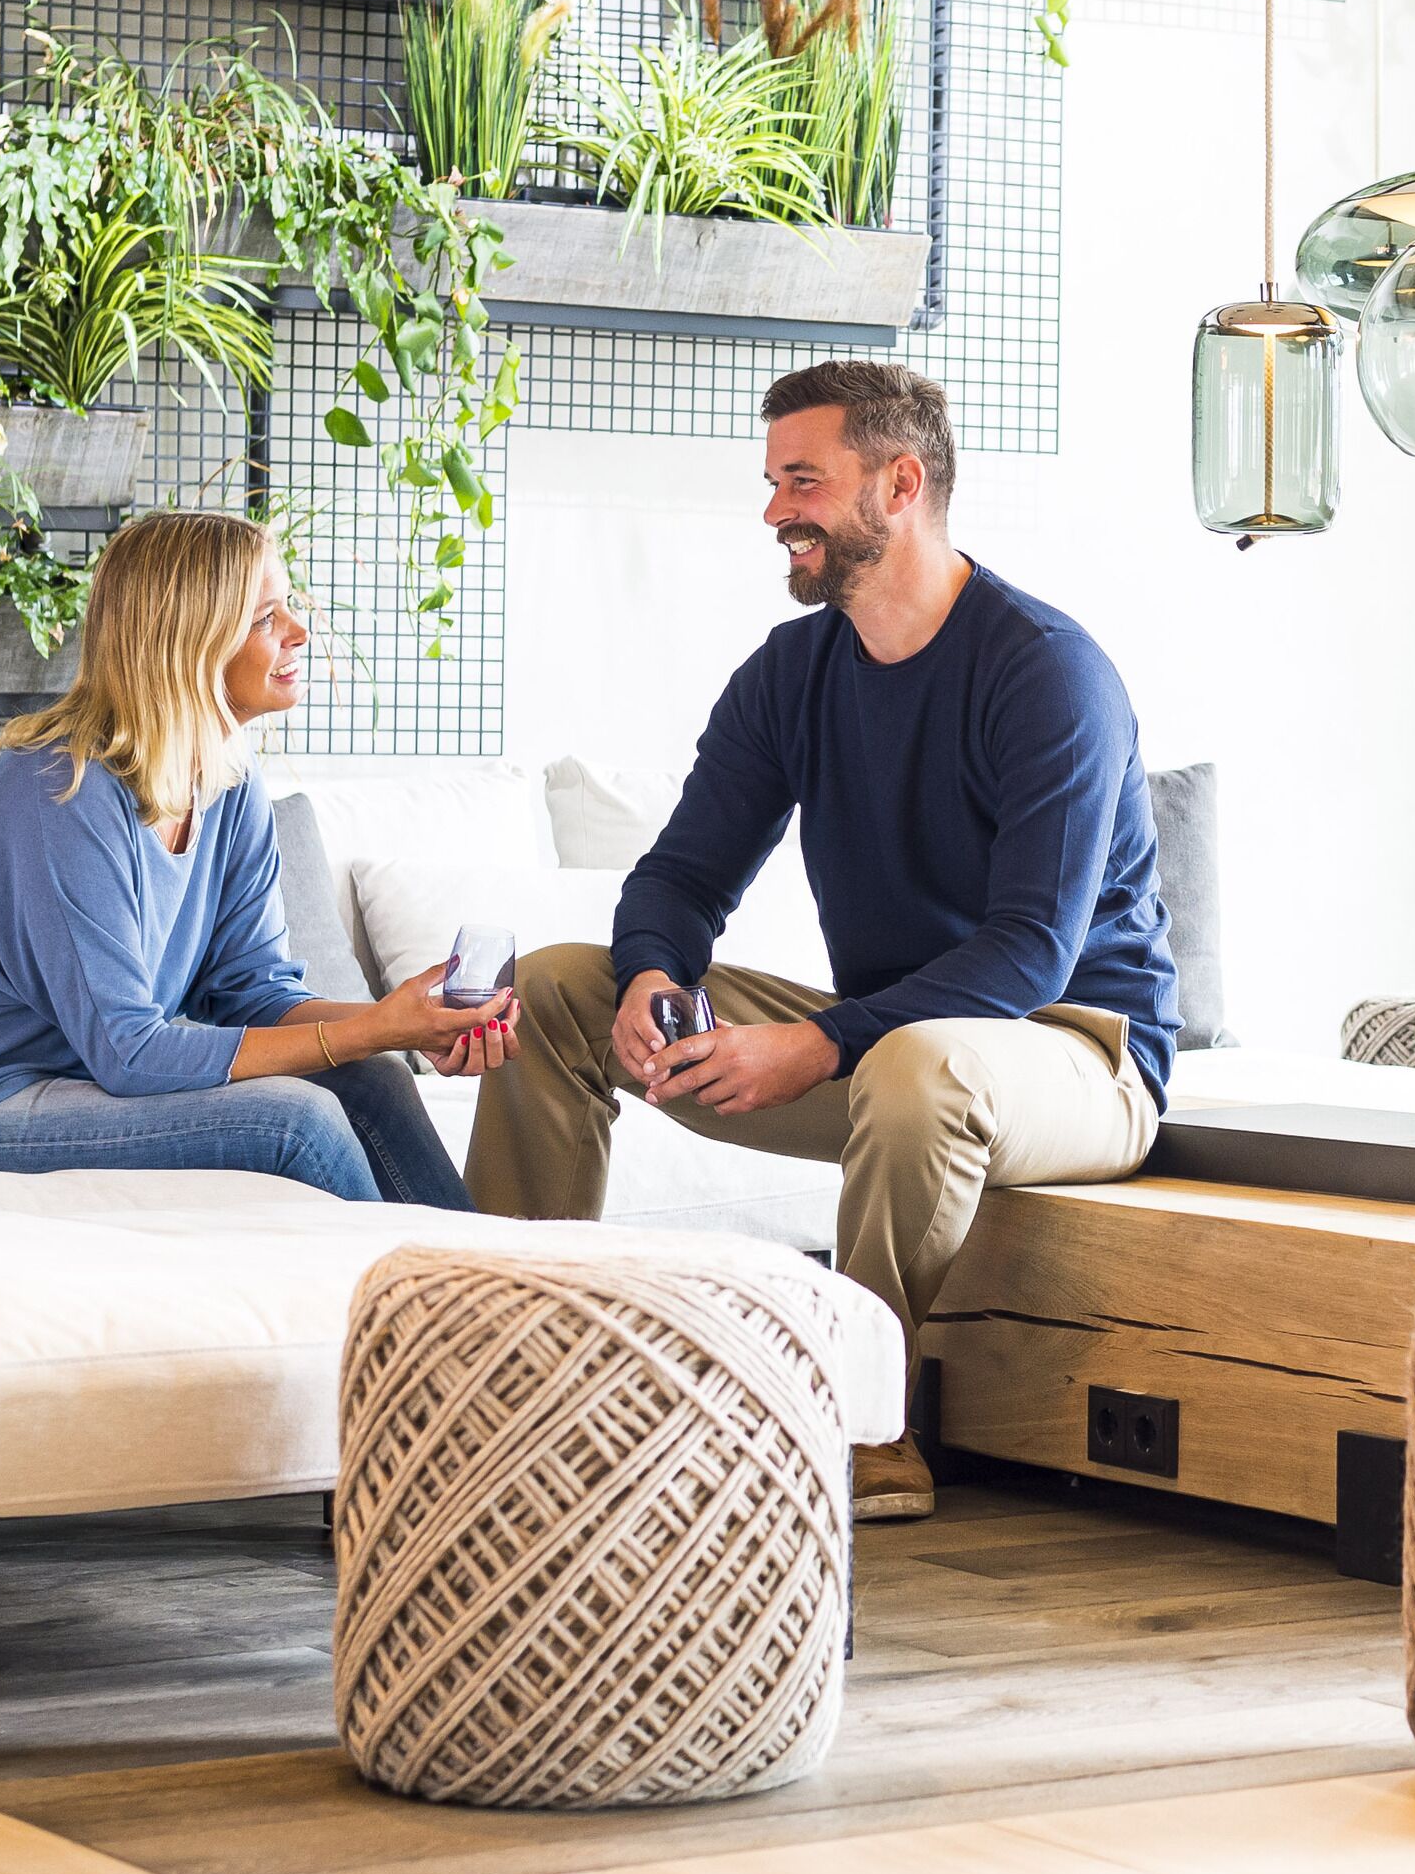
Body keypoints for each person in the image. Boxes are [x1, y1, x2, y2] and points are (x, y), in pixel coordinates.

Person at [473, 361, 1177, 1522]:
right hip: (896, 1051)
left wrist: (816, 1042)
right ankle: (513, 1378)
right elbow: (683, 874)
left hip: (1075, 1053)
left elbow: (1029, 954)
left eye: (803, 480)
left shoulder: (1047, 673)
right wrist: (654, 969)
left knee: (917, 1060)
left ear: (900, 484)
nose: (774, 512)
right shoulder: (791, 674)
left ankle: (868, 1418)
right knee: (555, 986)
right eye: (771, 481)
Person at [0, 509, 511, 1200]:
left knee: (373, 1078)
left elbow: (252, 993)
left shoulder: (228, 779)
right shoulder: (61, 790)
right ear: (189, 644)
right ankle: (408, 1319)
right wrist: (369, 1027)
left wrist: (396, 1023)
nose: (297, 631)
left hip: (32, 1072)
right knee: (298, 1122)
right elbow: (130, 1053)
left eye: (287, 606)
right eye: (265, 617)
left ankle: (484, 1307)